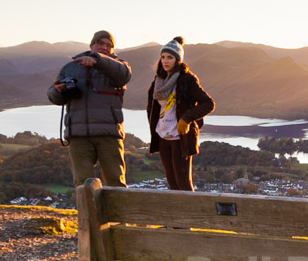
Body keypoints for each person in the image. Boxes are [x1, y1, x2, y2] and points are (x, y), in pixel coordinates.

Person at [48, 30, 132, 187]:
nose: (104, 47)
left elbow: (124, 76)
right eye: (100, 43)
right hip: (78, 135)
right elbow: (54, 97)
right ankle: (88, 205)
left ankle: (116, 206)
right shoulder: (70, 68)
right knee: (83, 185)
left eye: (109, 45)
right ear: (92, 45)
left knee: (116, 183)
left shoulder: (119, 66)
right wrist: (57, 91)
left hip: (108, 134)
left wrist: (97, 61)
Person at [147, 37, 215, 191]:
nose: (165, 61)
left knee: (183, 183)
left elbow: (208, 103)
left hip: (180, 137)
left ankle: (191, 208)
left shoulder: (187, 80)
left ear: (178, 60)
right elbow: (152, 108)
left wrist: (186, 119)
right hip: (162, 136)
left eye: (170, 57)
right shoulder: (158, 81)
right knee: (171, 182)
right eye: (163, 57)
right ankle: (177, 208)